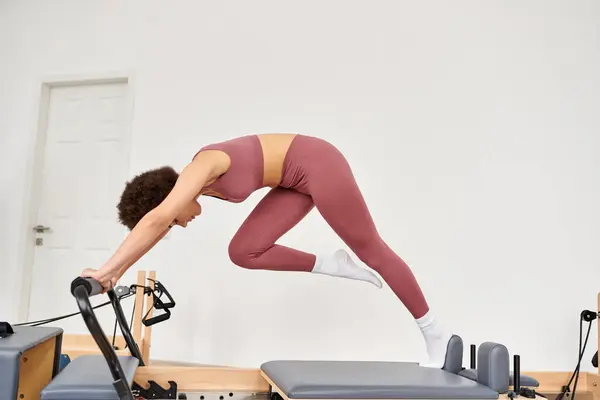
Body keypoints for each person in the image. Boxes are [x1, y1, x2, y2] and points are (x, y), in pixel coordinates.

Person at [81, 133, 453, 368]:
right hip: (292, 181)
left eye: (176, 220)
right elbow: (157, 225)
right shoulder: (198, 187)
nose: (182, 223)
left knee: (372, 249)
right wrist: (113, 274)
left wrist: (105, 270)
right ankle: (333, 264)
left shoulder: (203, 165)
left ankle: (433, 330)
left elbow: (157, 219)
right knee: (244, 250)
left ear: (167, 199)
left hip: (318, 162)